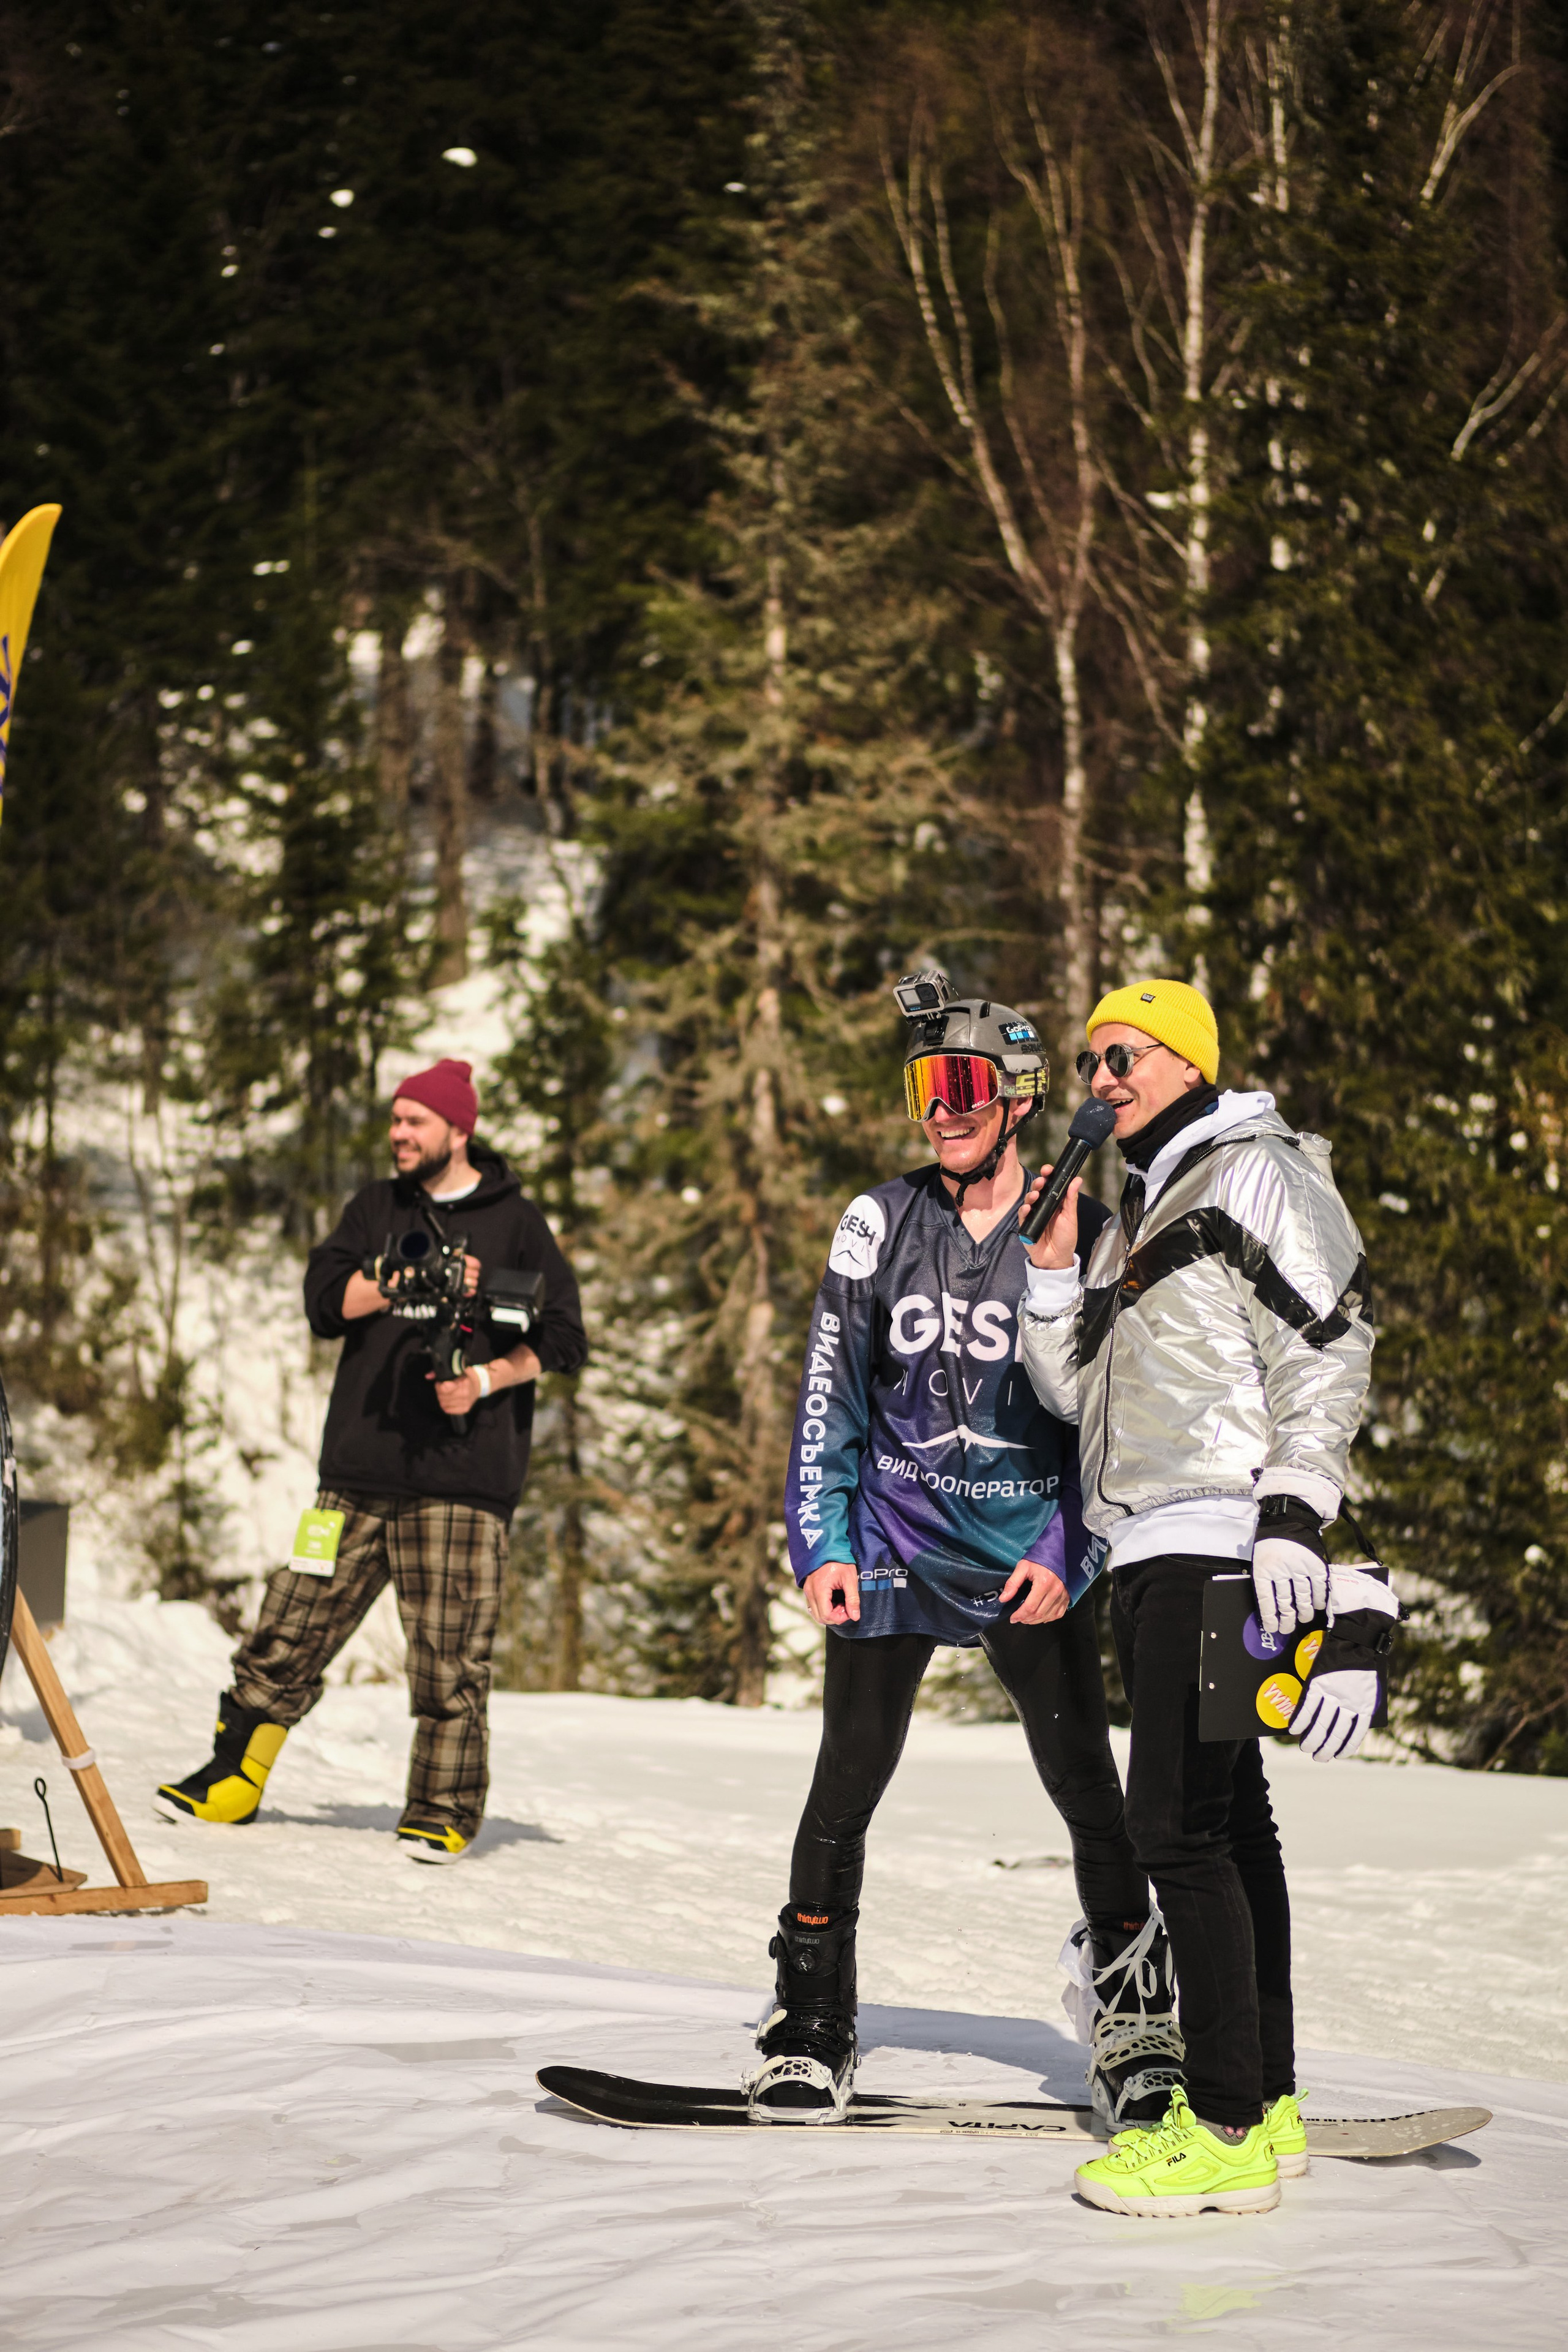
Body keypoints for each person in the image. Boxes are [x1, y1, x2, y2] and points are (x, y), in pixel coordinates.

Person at [753, 971, 1182, 2124]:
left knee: (1091, 1793)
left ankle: (1136, 2021)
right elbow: (828, 1400)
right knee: (844, 1786)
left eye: (961, 1085)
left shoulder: (1082, 1228)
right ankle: (809, 2019)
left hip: (1023, 1554)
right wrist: (823, 1544)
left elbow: (1107, 1417)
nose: (940, 1109)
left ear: (1016, 1098)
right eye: (922, 1087)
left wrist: (1070, 1550)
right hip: (895, 1541)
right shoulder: (877, 1222)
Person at [1019, 978, 1393, 2215]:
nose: (1098, 1080)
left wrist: (1292, 1508)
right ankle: (1266, 2100)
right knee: (1229, 1824)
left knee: (1170, 1827)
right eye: (1087, 1062)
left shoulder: (1250, 1172)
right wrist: (1050, 1281)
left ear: (1185, 1063)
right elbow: (1082, 1401)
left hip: (1217, 1538)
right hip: (1151, 1540)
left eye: (1121, 1055)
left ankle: (1220, 2128)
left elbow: (1329, 1340)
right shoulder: (1145, 1207)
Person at [155, 1058, 587, 1863]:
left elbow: (563, 1337)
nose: (399, 1134)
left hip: (463, 1477)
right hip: (355, 1472)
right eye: (395, 1120)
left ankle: (442, 1810)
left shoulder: (516, 1222)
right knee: (286, 1627)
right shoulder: (374, 1209)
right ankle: (233, 1778)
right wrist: (397, 1278)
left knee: (449, 1658)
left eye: (415, 1121)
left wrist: (486, 1377)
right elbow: (324, 1303)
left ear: (460, 1130)